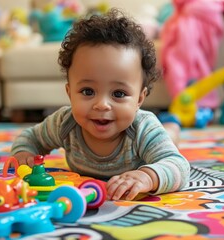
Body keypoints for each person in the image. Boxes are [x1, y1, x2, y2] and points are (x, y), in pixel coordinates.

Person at [11, 8, 190, 201]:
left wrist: (147, 176)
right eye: (88, 91)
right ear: (70, 93)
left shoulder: (143, 128)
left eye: (118, 94)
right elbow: (31, 137)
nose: (102, 105)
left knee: (167, 139)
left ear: (139, 99)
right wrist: (24, 153)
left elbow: (178, 166)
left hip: (155, 137)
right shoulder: (64, 122)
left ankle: (172, 127)